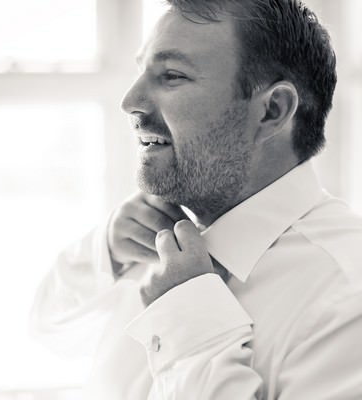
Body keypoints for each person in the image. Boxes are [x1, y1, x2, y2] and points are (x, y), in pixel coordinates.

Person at [30, 0, 362, 398]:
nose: (130, 102)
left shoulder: (347, 299)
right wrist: (104, 253)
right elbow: (50, 331)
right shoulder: (153, 242)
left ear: (272, 110)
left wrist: (190, 320)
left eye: (171, 76)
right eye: (142, 72)